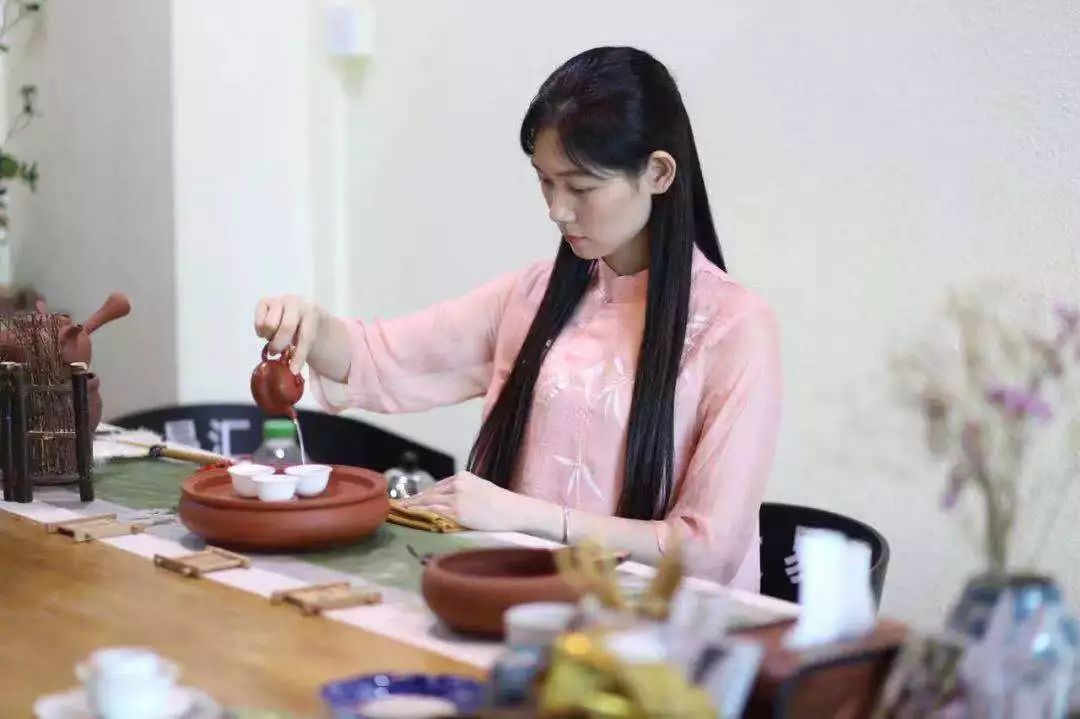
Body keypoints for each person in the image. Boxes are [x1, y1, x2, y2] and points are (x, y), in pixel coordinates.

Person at [254, 47, 781, 591]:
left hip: (656, 625)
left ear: (658, 172)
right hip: (524, 599)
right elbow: (379, 358)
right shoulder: (534, 295)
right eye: (545, 181)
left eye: (581, 187)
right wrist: (309, 325)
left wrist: (520, 515)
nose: (557, 209)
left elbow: (708, 551)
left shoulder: (734, 327)